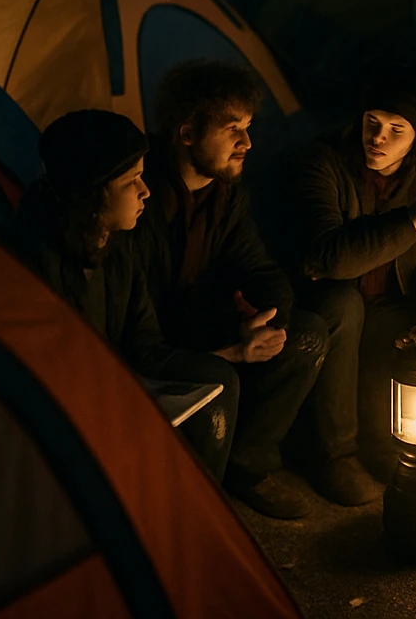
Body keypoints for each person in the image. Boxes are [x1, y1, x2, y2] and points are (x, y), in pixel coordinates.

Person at [136, 60, 329, 519]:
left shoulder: (224, 194)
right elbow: (137, 316)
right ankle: (197, 494)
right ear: (186, 134)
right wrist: (228, 347)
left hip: (204, 324)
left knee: (307, 334)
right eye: (232, 129)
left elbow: (260, 269)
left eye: (247, 127)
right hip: (154, 341)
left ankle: (249, 464)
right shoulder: (138, 195)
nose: (247, 143)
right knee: (218, 374)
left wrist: (266, 321)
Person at [16, 109, 239, 483]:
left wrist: (227, 354)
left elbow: (143, 339)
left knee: (219, 381)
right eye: (132, 180)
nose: (145, 190)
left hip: (118, 378)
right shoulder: (35, 264)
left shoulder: (117, 243)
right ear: (92, 195)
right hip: (70, 404)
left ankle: (196, 506)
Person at [294, 68, 416, 477]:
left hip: (395, 306)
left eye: (395, 130)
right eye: (372, 123)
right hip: (342, 304)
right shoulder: (326, 162)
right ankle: (339, 455)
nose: (378, 138)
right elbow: (331, 258)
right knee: (346, 304)